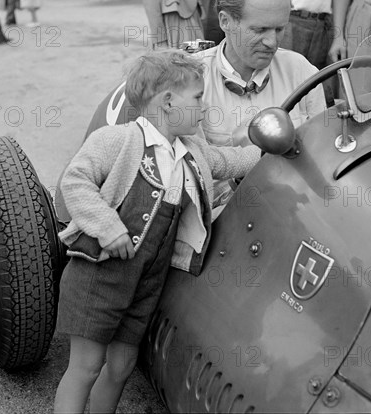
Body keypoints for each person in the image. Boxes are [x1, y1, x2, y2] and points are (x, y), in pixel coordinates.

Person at [53, 50, 260, 414]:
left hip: (147, 282)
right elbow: (75, 180)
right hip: (98, 276)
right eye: (198, 98)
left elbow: (232, 161)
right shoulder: (115, 140)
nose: (203, 108)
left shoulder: (193, 150)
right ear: (167, 102)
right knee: (86, 367)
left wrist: (272, 148)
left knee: (121, 366)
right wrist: (107, 226)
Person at [194, 0, 327, 207]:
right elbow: (189, 186)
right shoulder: (191, 82)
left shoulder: (302, 72)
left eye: (279, 29)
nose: (272, 43)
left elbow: (324, 157)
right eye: (260, 30)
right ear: (225, 21)